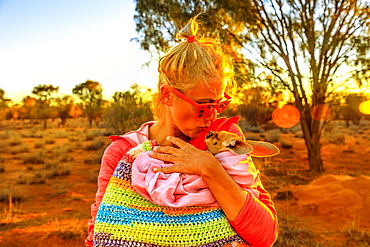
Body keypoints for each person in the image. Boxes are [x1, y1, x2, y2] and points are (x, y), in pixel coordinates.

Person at [86, 15, 278, 247]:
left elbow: (265, 235)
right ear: (167, 95)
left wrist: (209, 167)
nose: (213, 117)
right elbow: (102, 234)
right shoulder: (123, 152)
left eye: (219, 105)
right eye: (205, 107)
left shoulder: (222, 139)